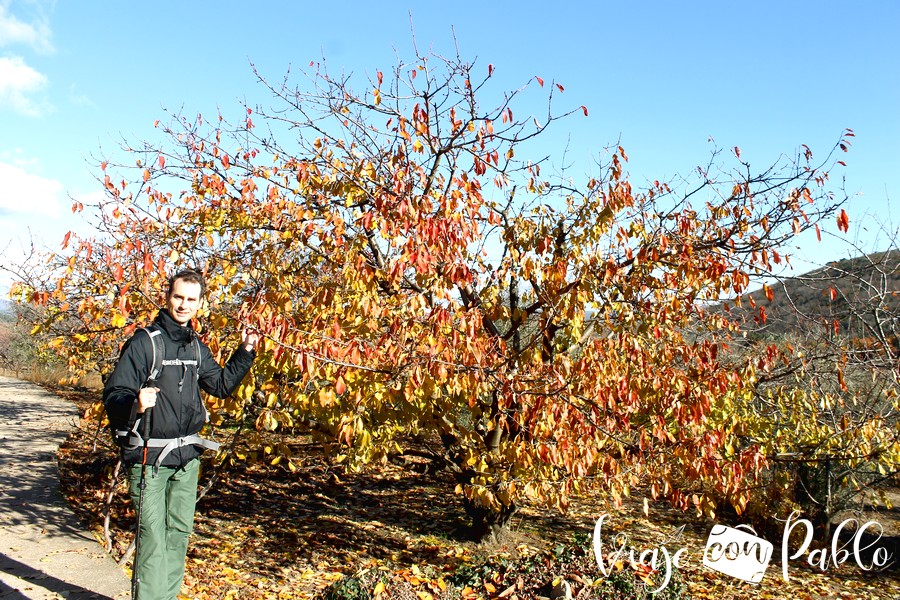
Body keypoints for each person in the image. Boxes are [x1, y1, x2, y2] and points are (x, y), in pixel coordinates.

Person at [103, 269, 259, 600]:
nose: (183, 305)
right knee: (153, 538)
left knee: (178, 535)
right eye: (178, 297)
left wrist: (245, 350)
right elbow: (115, 393)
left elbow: (219, 385)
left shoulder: (195, 347)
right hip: (148, 459)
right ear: (167, 297)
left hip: (187, 458)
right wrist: (135, 402)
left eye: (191, 300)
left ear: (200, 304)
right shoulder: (145, 343)